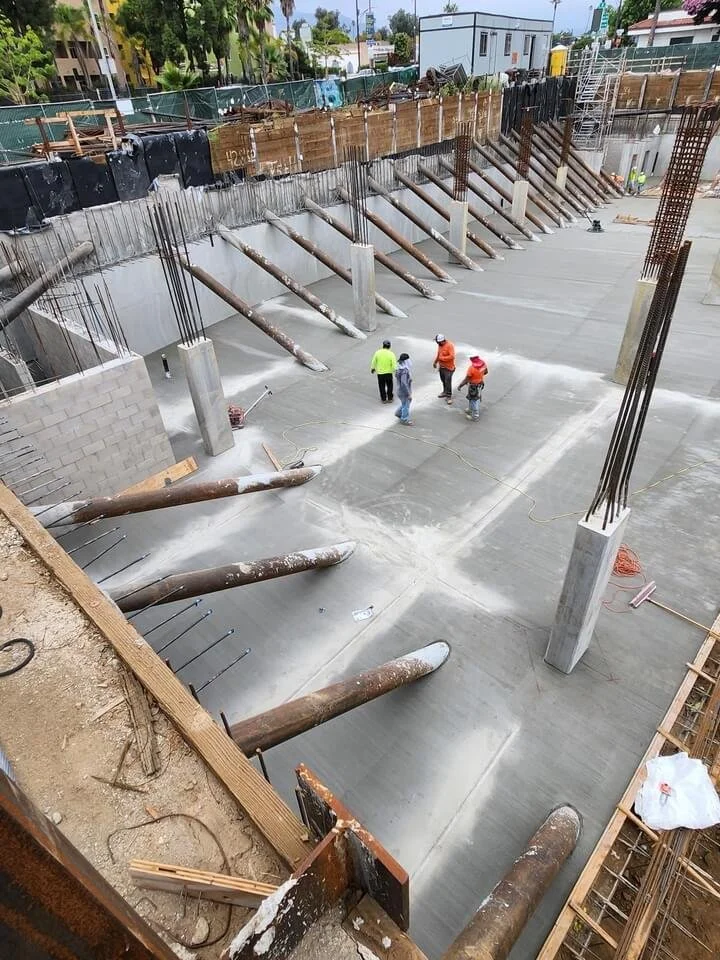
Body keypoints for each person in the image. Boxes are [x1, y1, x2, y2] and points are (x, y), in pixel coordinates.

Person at [457, 355, 488, 422]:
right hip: (480, 384)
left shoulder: (471, 368)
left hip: (473, 386)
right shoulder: (483, 364)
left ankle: (475, 416)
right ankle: (470, 409)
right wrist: (479, 375)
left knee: (474, 400)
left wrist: (460, 386)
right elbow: (486, 372)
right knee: (472, 398)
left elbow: (466, 379)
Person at [370, 339, 397, 403]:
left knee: (381, 386)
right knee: (390, 385)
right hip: (388, 373)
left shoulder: (377, 352)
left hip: (380, 373)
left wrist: (372, 368)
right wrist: (396, 371)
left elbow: (374, 361)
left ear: (383, 345)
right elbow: (394, 364)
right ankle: (390, 398)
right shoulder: (391, 354)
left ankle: (383, 399)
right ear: (389, 346)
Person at [433, 334, 455, 404]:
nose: (437, 343)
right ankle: (445, 392)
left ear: (442, 341)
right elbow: (438, 354)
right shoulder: (440, 345)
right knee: (443, 380)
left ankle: (449, 396)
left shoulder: (449, 345)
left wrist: (442, 358)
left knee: (448, 381)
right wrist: (435, 362)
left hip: (449, 368)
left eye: (438, 342)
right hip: (442, 367)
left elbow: (452, 356)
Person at [394, 353, 413, 425]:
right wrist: (408, 394)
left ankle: (398, 413)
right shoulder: (404, 371)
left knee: (404, 403)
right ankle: (404, 419)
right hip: (404, 391)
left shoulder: (399, 369)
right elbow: (404, 383)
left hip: (399, 390)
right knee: (406, 405)